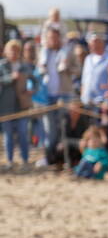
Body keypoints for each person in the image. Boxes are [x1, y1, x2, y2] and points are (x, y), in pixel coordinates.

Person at [37, 25, 80, 162]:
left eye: (55, 37)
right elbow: (38, 71)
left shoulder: (68, 51)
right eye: (50, 37)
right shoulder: (43, 52)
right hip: (47, 96)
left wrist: (67, 67)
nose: (53, 40)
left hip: (64, 95)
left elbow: (78, 70)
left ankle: (61, 158)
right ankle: (50, 158)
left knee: (63, 128)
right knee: (49, 130)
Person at [0, 40, 34, 170]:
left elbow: (35, 80)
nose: (13, 53)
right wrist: (10, 77)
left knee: (23, 133)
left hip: (22, 105)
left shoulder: (24, 66)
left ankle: (25, 161)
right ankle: (9, 161)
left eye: (16, 50)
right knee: (8, 135)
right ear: (6, 52)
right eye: (11, 50)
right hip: (6, 106)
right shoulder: (2, 65)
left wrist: (32, 89)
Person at [79, 32, 108, 107]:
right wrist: (82, 95)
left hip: (102, 102)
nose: (91, 45)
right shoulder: (88, 58)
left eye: (94, 43)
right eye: (90, 43)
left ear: (101, 43)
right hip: (86, 101)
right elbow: (84, 80)